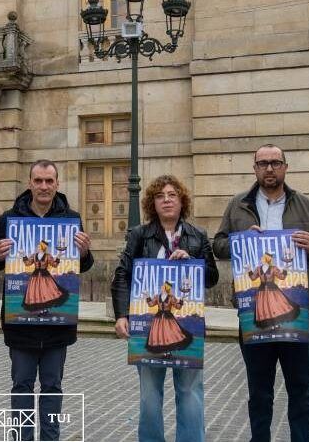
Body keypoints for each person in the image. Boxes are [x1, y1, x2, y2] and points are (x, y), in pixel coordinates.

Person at [212, 144, 309, 442]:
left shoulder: (305, 205)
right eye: (263, 163)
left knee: (300, 389)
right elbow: (218, 246)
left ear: (285, 167)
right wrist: (240, 240)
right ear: (254, 168)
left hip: (298, 318)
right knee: (259, 391)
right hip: (252, 315)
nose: (269, 168)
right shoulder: (237, 205)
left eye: (275, 163)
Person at [0, 160, 94, 441]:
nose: (44, 186)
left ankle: (50, 438)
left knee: (53, 387)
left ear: (57, 184)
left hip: (58, 328)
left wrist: (84, 253)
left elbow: (78, 265)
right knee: (21, 385)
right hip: (20, 326)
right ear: (30, 183)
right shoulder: (9, 219)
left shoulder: (71, 219)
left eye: (49, 181)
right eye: (38, 181)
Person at [111, 174, 219, 442]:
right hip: (147, 326)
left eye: (172, 195)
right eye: (160, 196)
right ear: (153, 203)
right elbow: (122, 274)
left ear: (182, 202)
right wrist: (122, 315)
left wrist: (192, 262)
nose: (167, 200)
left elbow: (212, 277)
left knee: (190, 391)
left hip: (188, 324)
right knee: (149, 395)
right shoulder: (139, 235)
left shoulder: (198, 235)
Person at [246, 252, 300, 329]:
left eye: (263, 257)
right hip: (262, 292)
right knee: (265, 308)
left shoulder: (273, 268)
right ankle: (271, 325)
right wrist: (249, 269)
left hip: (273, 291)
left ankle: (276, 324)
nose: (261, 259)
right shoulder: (258, 269)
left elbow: (282, 277)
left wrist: (285, 269)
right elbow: (253, 278)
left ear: (266, 259)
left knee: (274, 307)